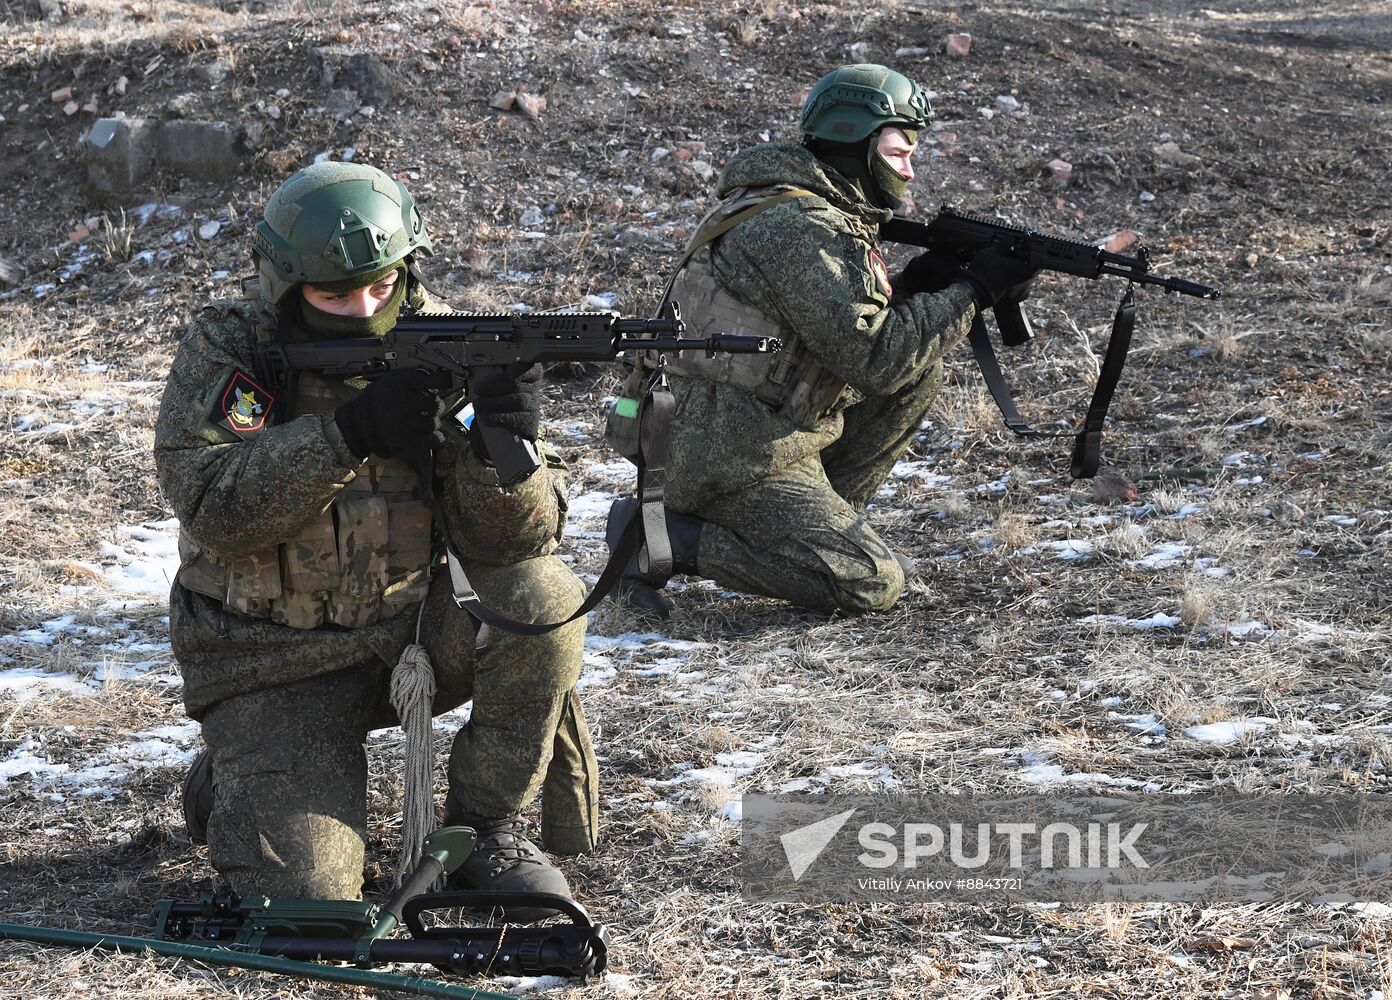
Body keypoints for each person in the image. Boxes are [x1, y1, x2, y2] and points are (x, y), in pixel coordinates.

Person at [155, 161, 598, 915]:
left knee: (543, 598)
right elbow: (212, 504)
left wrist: (503, 447)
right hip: (270, 661)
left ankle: (483, 830)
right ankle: (236, 772)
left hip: (415, 631)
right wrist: (347, 434)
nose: (364, 308)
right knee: (309, 900)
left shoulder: (454, 344)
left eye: (383, 286)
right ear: (285, 286)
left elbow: (517, 544)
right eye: (335, 293)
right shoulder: (235, 350)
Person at [606, 63, 1036, 619]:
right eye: (899, 152)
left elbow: (831, 333)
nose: (909, 168)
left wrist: (916, 289)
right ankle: (655, 540)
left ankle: (816, 533)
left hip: (734, 426)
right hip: (722, 451)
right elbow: (876, 359)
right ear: (856, 144)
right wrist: (972, 291)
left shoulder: (799, 206)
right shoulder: (800, 225)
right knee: (871, 581)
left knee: (918, 370)